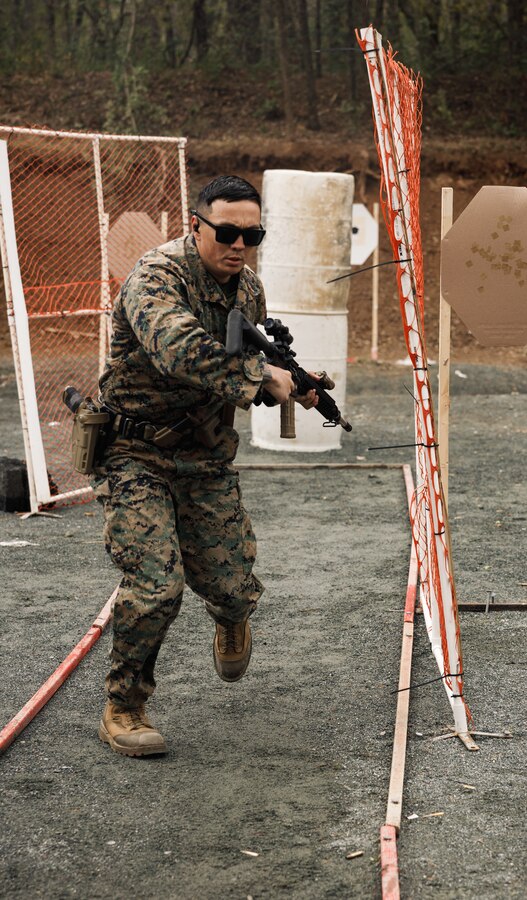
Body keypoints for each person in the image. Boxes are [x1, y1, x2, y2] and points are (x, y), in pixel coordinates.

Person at [92, 175, 316, 757]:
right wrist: (260, 381)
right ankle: (125, 705)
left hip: (205, 455)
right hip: (134, 450)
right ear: (197, 226)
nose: (239, 243)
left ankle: (232, 615)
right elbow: (179, 348)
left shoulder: (249, 292)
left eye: (253, 233)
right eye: (227, 231)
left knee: (235, 588)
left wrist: (294, 385)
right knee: (157, 585)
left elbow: (250, 358)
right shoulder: (156, 276)